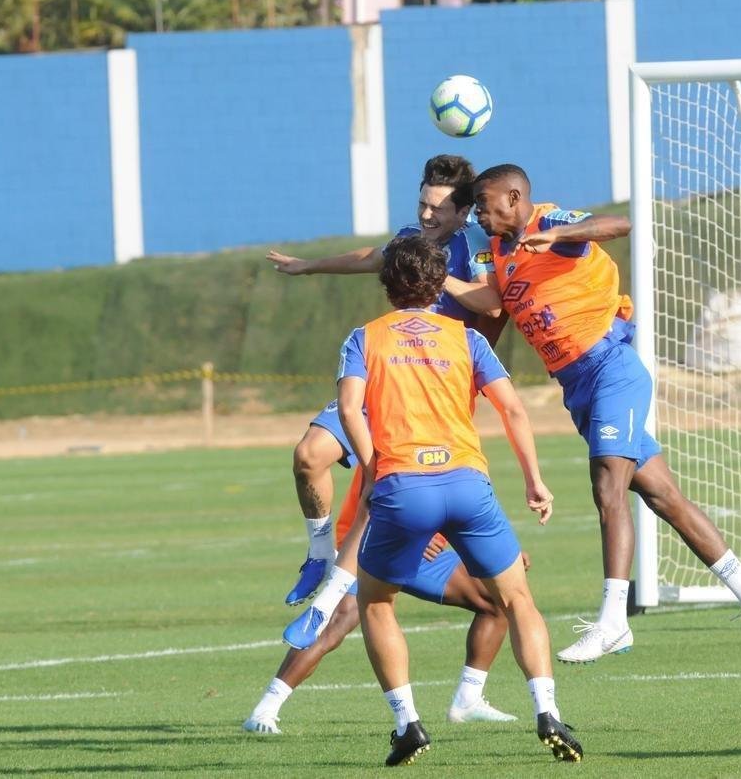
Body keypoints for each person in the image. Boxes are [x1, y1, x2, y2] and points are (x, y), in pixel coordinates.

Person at [461, 163, 741, 664]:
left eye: (484, 202)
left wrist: (561, 234)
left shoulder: (549, 224)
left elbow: (619, 225)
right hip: (577, 386)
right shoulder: (500, 253)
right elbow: (496, 310)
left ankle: (613, 621)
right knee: (662, 495)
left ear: (514, 196)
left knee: (608, 485)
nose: (479, 212)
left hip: (612, 367)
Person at [332, 234, 582, 766]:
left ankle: (408, 724)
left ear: (387, 285)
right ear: (436, 283)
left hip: (403, 488)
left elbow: (350, 409)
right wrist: (534, 479)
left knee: (375, 602)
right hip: (468, 483)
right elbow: (512, 410)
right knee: (518, 599)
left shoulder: (364, 338)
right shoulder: (467, 338)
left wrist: (375, 468)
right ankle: (548, 712)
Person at [265, 155, 502, 606]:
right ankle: (319, 555)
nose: (427, 214)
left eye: (438, 208)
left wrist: (437, 274)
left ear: (462, 212)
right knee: (309, 455)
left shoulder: (474, 243)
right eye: (422, 204)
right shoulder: (410, 238)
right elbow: (370, 258)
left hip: (428, 397)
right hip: (384, 371)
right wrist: (308, 265)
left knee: (381, 499)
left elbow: (491, 302)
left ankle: (337, 603)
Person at [242, 470, 525, 735]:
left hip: (419, 551)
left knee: (495, 600)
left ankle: (468, 700)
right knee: (339, 619)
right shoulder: (391, 435)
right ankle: (265, 709)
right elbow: (374, 496)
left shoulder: (449, 435)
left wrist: (500, 555)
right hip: (368, 544)